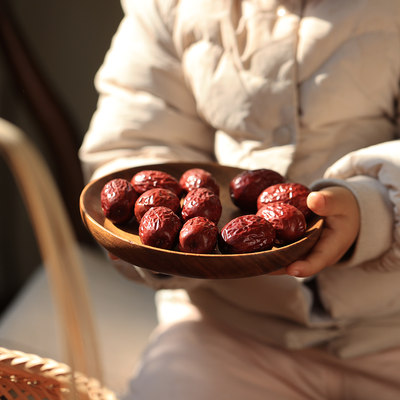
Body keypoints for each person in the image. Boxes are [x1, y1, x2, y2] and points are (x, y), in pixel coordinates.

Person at [79, 0, 400, 398]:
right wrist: (162, 253)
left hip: (390, 328)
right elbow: (133, 146)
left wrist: (375, 210)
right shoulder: (168, 8)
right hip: (229, 324)